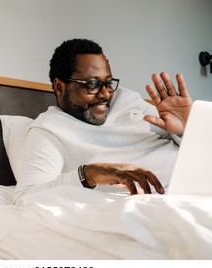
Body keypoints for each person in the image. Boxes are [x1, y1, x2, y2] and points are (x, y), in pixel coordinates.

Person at [14, 38, 193, 202]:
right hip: (174, 200)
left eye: (108, 82)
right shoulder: (50, 129)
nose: (106, 93)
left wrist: (186, 130)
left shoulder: (127, 98)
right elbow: (26, 196)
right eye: (92, 84)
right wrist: (88, 174)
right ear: (59, 87)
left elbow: (193, 149)